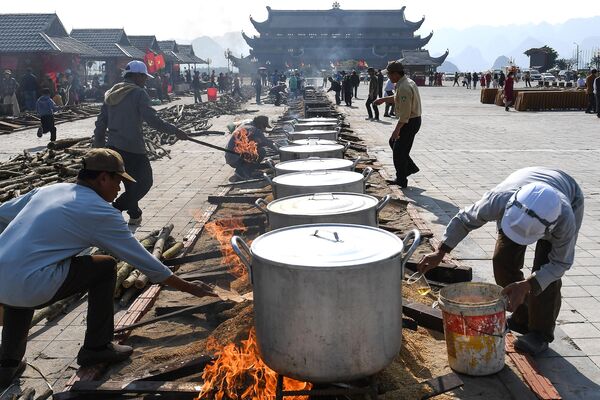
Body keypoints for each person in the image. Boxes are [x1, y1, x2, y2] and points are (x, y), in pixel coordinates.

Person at [0, 148, 217, 389]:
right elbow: (143, 261)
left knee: (21, 274)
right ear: (103, 177)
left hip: (3, 280)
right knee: (105, 266)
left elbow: (1, 214)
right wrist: (188, 287)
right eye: (118, 181)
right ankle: (97, 347)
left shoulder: (49, 190)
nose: (120, 190)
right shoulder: (100, 211)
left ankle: (7, 363)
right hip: (30, 286)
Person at [418, 167, 584, 355]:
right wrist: (441, 252)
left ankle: (540, 333)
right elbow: (464, 219)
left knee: (545, 274)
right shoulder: (499, 199)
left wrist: (528, 284)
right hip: (528, 193)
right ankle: (521, 316)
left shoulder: (565, 219)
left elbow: (559, 263)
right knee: (503, 259)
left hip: (567, 195)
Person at [93, 60, 189, 225]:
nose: (146, 80)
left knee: (131, 184)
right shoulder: (138, 93)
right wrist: (175, 131)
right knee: (145, 182)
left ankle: (135, 213)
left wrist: (99, 146)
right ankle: (115, 209)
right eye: (144, 77)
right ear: (137, 76)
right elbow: (153, 120)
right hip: (133, 148)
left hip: (113, 147)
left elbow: (101, 122)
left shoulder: (111, 93)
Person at [374, 61, 421, 188]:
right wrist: (383, 99)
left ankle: (401, 179)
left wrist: (397, 130)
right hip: (412, 120)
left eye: (389, 74)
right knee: (396, 145)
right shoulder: (405, 83)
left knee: (398, 151)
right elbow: (397, 98)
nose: (388, 77)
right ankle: (409, 168)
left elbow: (405, 113)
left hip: (409, 121)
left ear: (395, 74)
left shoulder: (404, 87)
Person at [225, 115, 276, 180]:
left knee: (256, 148)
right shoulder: (254, 130)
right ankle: (242, 172)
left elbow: (257, 142)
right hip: (235, 159)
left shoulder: (248, 124)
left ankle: (248, 170)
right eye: (264, 127)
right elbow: (267, 143)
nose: (264, 129)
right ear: (260, 125)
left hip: (231, 156)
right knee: (261, 152)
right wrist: (280, 150)